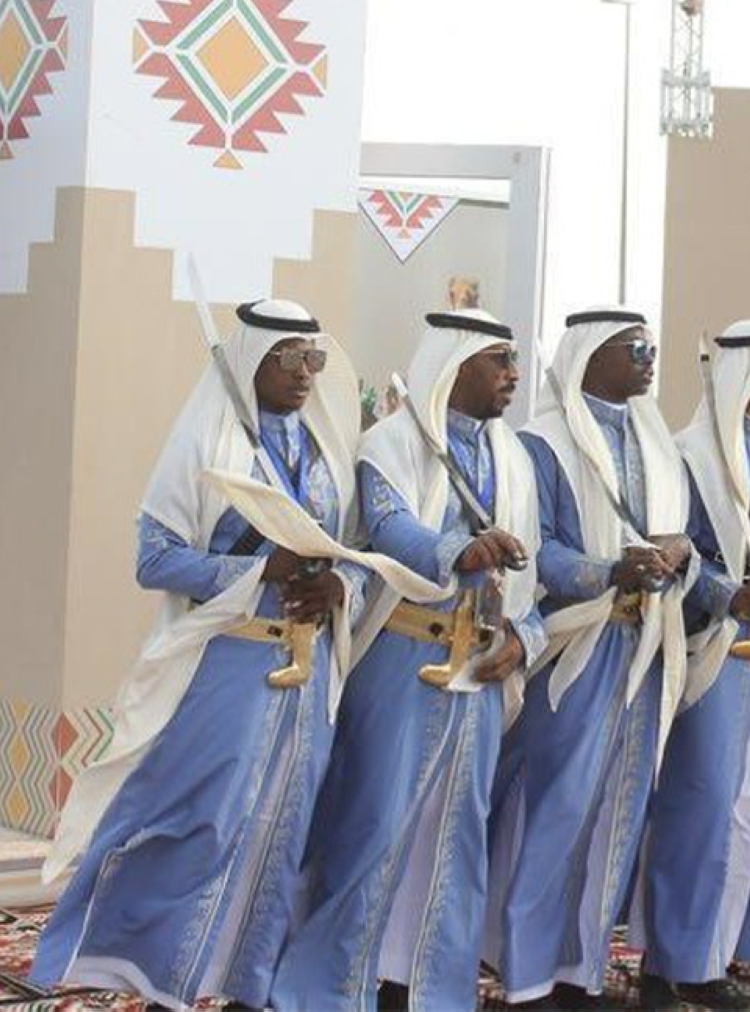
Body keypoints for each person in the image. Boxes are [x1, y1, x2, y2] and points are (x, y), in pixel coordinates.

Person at [34, 300, 368, 1010]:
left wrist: (341, 584)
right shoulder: (206, 443)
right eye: (291, 359)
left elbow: (356, 552)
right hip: (225, 661)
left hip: (308, 676)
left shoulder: (329, 450)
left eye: (315, 359)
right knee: (202, 821)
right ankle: (162, 978)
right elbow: (154, 559)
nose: (306, 374)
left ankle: (251, 984)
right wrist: (259, 572)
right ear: (255, 360)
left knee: (283, 829)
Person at [271, 309, 546, 1011]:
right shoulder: (389, 444)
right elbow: (390, 527)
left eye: (513, 361)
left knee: (454, 838)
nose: (512, 375)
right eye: (498, 361)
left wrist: (524, 641)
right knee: (374, 828)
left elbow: (531, 578)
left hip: (479, 668)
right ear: (455, 365)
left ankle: (421, 988)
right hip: (401, 657)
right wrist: (459, 551)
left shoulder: (512, 457)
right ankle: (328, 989)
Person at [485, 309, 695, 1008]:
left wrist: (677, 557)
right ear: (588, 357)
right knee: (558, 808)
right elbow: (535, 549)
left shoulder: (656, 440)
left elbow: (682, 538)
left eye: (651, 348)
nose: (648, 359)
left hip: (644, 643)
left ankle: (581, 973)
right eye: (634, 349)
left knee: (617, 811)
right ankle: (526, 974)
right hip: (576, 643)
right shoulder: (542, 443)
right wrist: (608, 571)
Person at [634, 319, 750, 1010]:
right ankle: (664, 965)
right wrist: (726, 589)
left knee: (747, 805)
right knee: (700, 801)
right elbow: (676, 556)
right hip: (711, 647)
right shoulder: (692, 455)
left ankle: (709, 960)